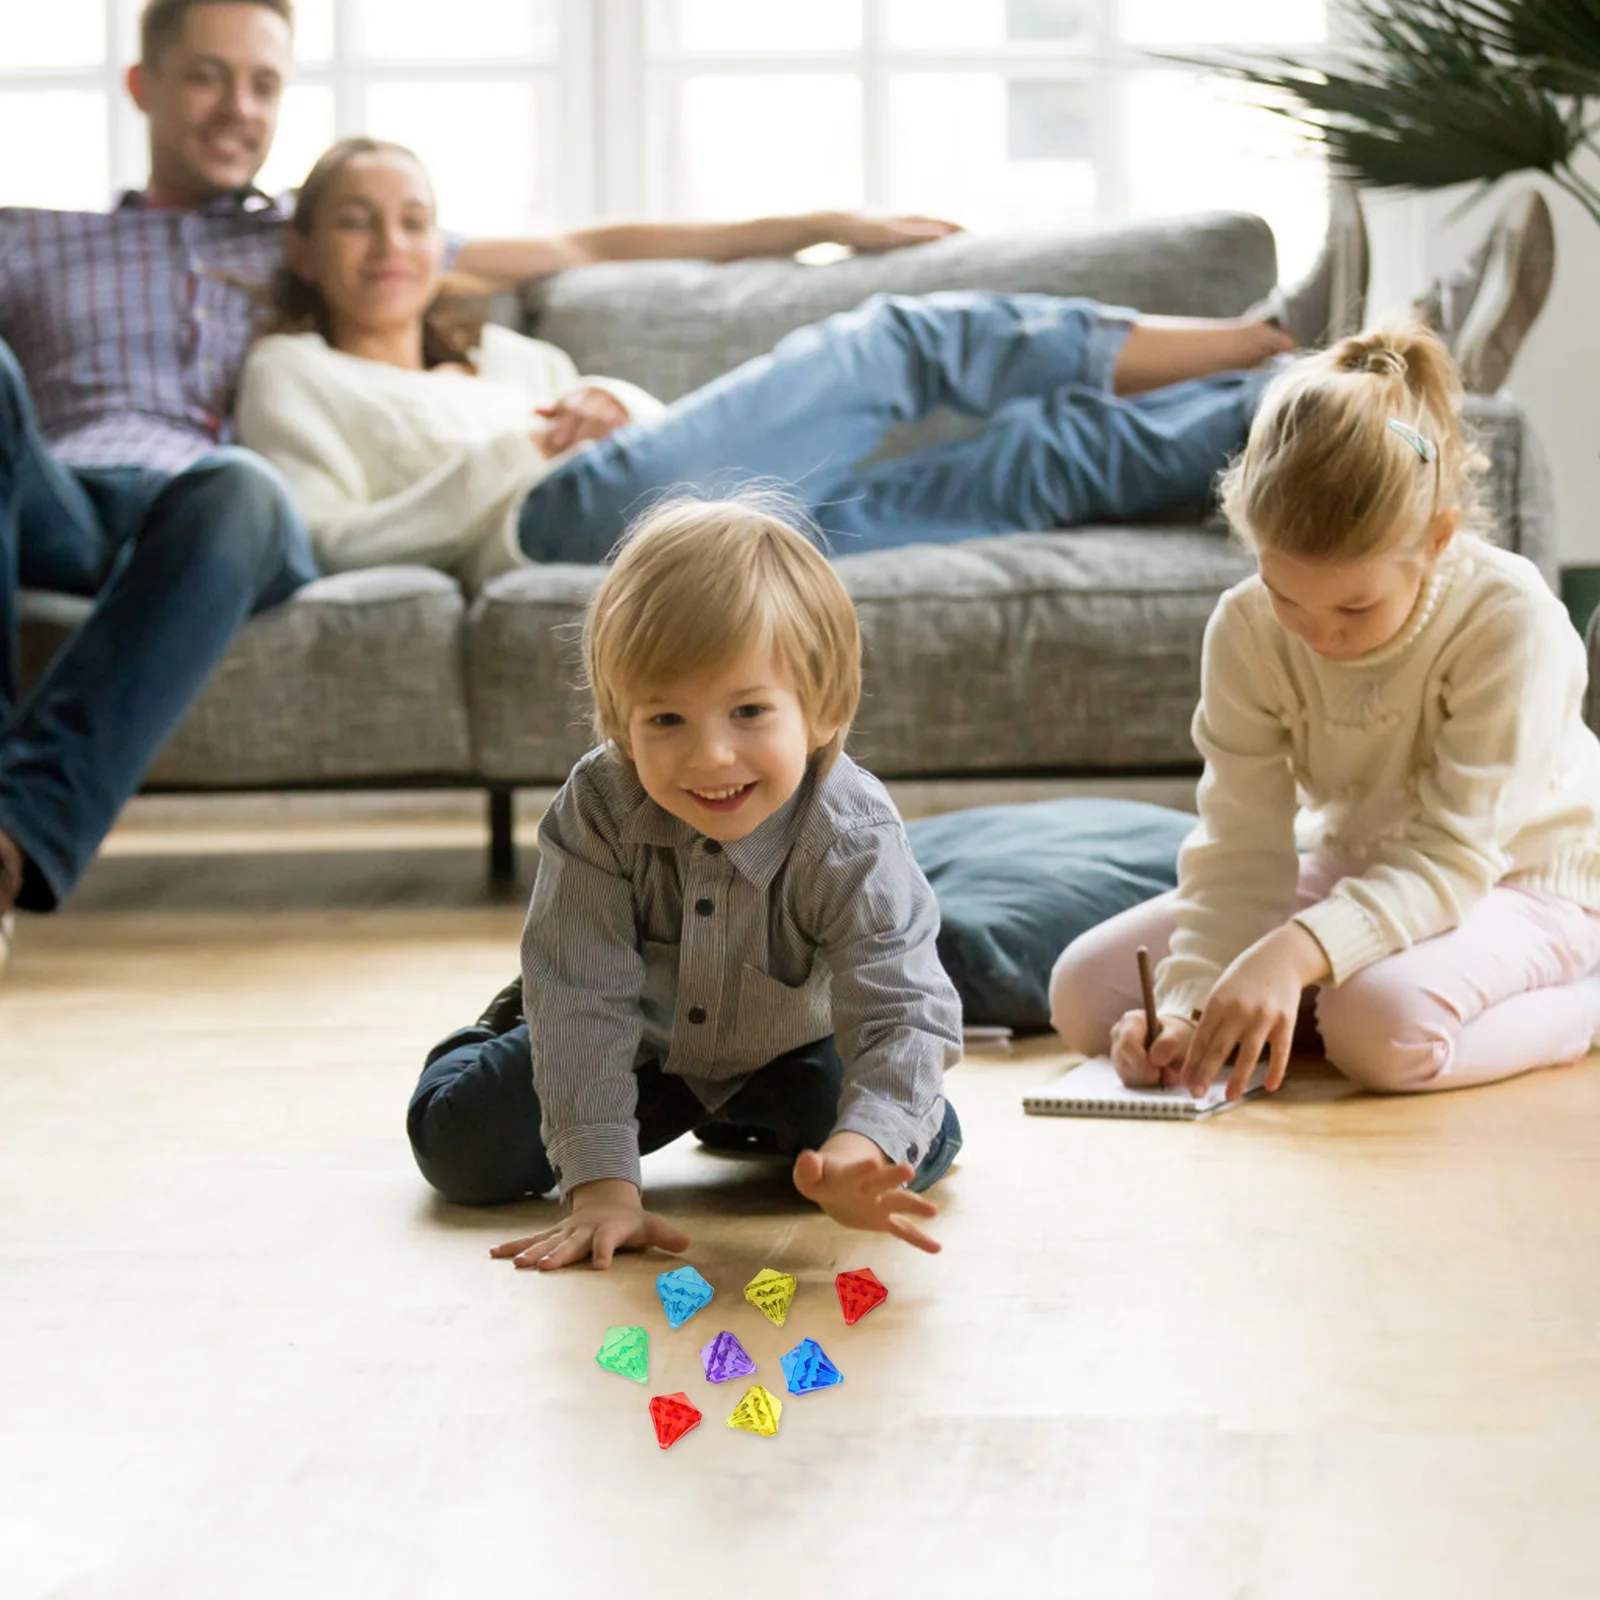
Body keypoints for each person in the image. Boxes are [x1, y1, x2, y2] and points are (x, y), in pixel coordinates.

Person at [237, 137, 1361, 583]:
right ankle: (1269, 331)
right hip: (558, 530)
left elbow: (656, 438)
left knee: (1038, 460)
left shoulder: (510, 354)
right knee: (897, 341)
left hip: (692, 535)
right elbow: (320, 539)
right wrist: (515, 454)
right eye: (354, 220)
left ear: (445, 243)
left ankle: (1316, 391)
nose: (391, 243)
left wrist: (609, 402)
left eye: (413, 218)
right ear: (302, 244)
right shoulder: (296, 374)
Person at [1047, 318, 1600, 1103]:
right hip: (1360, 865)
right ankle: (1328, 989)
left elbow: (1453, 857)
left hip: (1524, 876)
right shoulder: (1246, 625)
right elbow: (1240, 844)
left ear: (1439, 538)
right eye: (1285, 595)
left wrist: (1290, 955)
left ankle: (1583, 1001)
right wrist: (1185, 1007)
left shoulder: (1510, 619)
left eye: (1354, 607)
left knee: (1379, 1034)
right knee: (1086, 996)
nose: (1316, 634)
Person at [407, 499, 962, 1267]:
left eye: (749, 711)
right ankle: (509, 1018)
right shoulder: (600, 806)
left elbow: (902, 1008)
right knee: (459, 1151)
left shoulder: (853, 831)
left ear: (824, 709)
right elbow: (585, 999)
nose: (709, 757)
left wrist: (861, 1145)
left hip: (792, 1043)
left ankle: (749, 1114)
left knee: (910, 1147)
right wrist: (601, 1186)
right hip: (634, 1036)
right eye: (666, 720)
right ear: (619, 723)